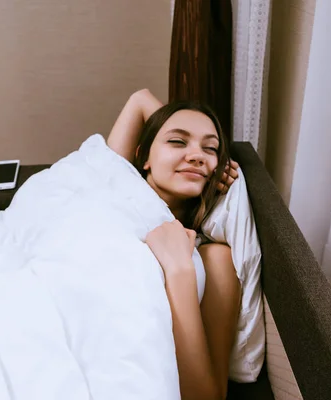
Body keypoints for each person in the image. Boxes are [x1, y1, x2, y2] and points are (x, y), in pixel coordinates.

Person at [107, 89, 240, 400]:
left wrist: (179, 270)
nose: (196, 155)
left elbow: (208, 396)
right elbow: (139, 99)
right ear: (143, 157)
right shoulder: (112, 189)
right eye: (177, 142)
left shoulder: (213, 258)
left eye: (211, 149)